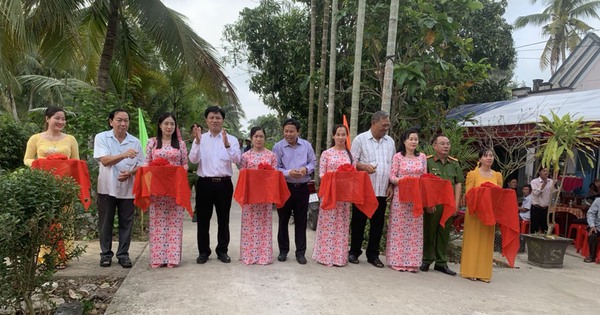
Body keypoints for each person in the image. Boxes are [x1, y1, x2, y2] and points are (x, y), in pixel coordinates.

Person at [24, 106, 80, 269]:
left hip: (64, 186)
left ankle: (62, 257)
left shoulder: (70, 139)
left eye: (63, 119)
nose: (61, 122)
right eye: (57, 118)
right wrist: (40, 164)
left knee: (64, 221)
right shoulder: (35, 138)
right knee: (45, 219)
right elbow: (27, 159)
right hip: (43, 185)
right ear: (47, 119)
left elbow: (75, 162)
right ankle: (44, 257)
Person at [188, 106, 241, 264]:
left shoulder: (231, 139)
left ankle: (222, 251)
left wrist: (227, 145)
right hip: (204, 183)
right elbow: (193, 160)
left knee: (223, 220)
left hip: (224, 184)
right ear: (207, 120)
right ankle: (203, 252)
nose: (214, 120)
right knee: (203, 219)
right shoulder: (201, 138)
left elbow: (238, 160)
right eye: (211, 117)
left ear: (222, 120)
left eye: (218, 118)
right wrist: (197, 143)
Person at [94, 109, 144, 268]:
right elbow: (105, 160)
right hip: (106, 188)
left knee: (126, 223)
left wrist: (130, 173)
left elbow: (142, 164)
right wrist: (123, 155)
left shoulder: (134, 141)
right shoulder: (102, 137)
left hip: (127, 188)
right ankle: (105, 255)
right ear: (111, 121)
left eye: (126, 121)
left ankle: (123, 254)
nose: (123, 124)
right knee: (105, 222)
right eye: (119, 120)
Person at [348, 111, 395, 268]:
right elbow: (352, 162)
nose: (386, 128)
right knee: (358, 222)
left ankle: (373, 255)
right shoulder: (360, 139)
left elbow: (393, 166)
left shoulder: (390, 142)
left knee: (377, 223)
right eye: (383, 125)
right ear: (373, 123)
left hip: (382, 190)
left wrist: (391, 185)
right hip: (363, 190)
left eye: (388, 125)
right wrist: (363, 166)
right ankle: (354, 252)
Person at [144, 113, 188, 268]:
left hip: (175, 188)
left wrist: (174, 172)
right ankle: (157, 257)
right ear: (160, 125)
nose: (169, 127)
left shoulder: (180, 144)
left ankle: (172, 258)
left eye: (172, 124)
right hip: (157, 188)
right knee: (158, 222)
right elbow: (147, 164)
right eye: (166, 124)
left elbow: (185, 165)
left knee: (174, 223)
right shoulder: (152, 142)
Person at [273, 118, 316, 265]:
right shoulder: (278, 147)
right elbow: (275, 168)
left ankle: (300, 253)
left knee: (301, 221)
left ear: (298, 131)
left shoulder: (306, 145)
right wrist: (288, 172)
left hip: (302, 188)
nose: (288, 134)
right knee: (283, 220)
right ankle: (283, 251)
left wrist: (306, 169)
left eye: (291, 131)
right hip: (284, 187)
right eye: (286, 131)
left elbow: (313, 162)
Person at [420, 134, 463, 276]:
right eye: (443, 143)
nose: (446, 146)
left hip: (448, 203)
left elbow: (458, 183)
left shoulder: (454, 163)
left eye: (448, 143)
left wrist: (456, 204)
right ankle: (426, 259)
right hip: (434, 203)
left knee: (444, 233)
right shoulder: (428, 162)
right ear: (434, 146)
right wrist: (428, 202)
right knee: (429, 231)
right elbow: (424, 183)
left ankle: (441, 262)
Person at [312, 124, 354, 267]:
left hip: (343, 195)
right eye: (338, 134)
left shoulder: (349, 154)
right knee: (328, 224)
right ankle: (325, 255)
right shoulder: (326, 153)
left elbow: (353, 174)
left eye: (343, 135)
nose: (341, 137)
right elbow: (322, 174)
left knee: (341, 224)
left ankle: (339, 257)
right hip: (330, 193)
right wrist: (336, 177)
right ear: (333, 136)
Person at [386, 128, 427, 272]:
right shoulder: (398, 157)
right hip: (400, 197)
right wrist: (405, 182)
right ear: (404, 141)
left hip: (416, 198)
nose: (414, 142)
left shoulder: (422, 157)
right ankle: (397, 260)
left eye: (416, 139)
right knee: (399, 228)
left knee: (414, 229)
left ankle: (412, 261)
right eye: (411, 139)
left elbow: (424, 177)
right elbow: (392, 176)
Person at [460, 148, 503, 282]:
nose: (489, 158)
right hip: (475, 212)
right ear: (480, 159)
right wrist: (482, 192)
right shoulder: (473, 174)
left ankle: (484, 273)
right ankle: (470, 271)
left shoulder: (497, 175)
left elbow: (499, 194)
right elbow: (469, 194)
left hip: (489, 212)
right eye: (485, 156)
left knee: (486, 242)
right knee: (473, 240)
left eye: (491, 156)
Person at [239, 126, 278, 265]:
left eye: (261, 136)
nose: (258, 139)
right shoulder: (245, 156)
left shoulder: (271, 156)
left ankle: (264, 256)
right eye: (256, 136)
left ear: (265, 138)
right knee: (249, 226)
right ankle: (249, 255)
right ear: (251, 138)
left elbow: (274, 176)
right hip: (250, 197)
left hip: (265, 197)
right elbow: (243, 176)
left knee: (264, 226)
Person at [530, 167, 555, 233]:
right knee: (535, 228)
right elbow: (536, 193)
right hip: (536, 208)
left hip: (546, 209)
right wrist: (544, 184)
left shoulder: (551, 181)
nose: (546, 173)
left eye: (547, 171)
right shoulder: (534, 181)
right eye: (544, 171)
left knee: (545, 228)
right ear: (539, 172)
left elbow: (554, 193)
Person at [187, 123, 201, 223]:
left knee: (199, 195)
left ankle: (196, 214)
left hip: (200, 173)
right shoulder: (185, 144)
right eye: (194, 131)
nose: (196, 132)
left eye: (198, 130)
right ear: (191, 132)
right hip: (188, 173)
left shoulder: (204, 144)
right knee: (185, 194)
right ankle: (184, 210)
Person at [584, 198, 600, 263]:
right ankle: (592, 256)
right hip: (597, 226)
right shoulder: (598, 201)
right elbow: (590, 214)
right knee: (593, 234)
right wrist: (592, 225)